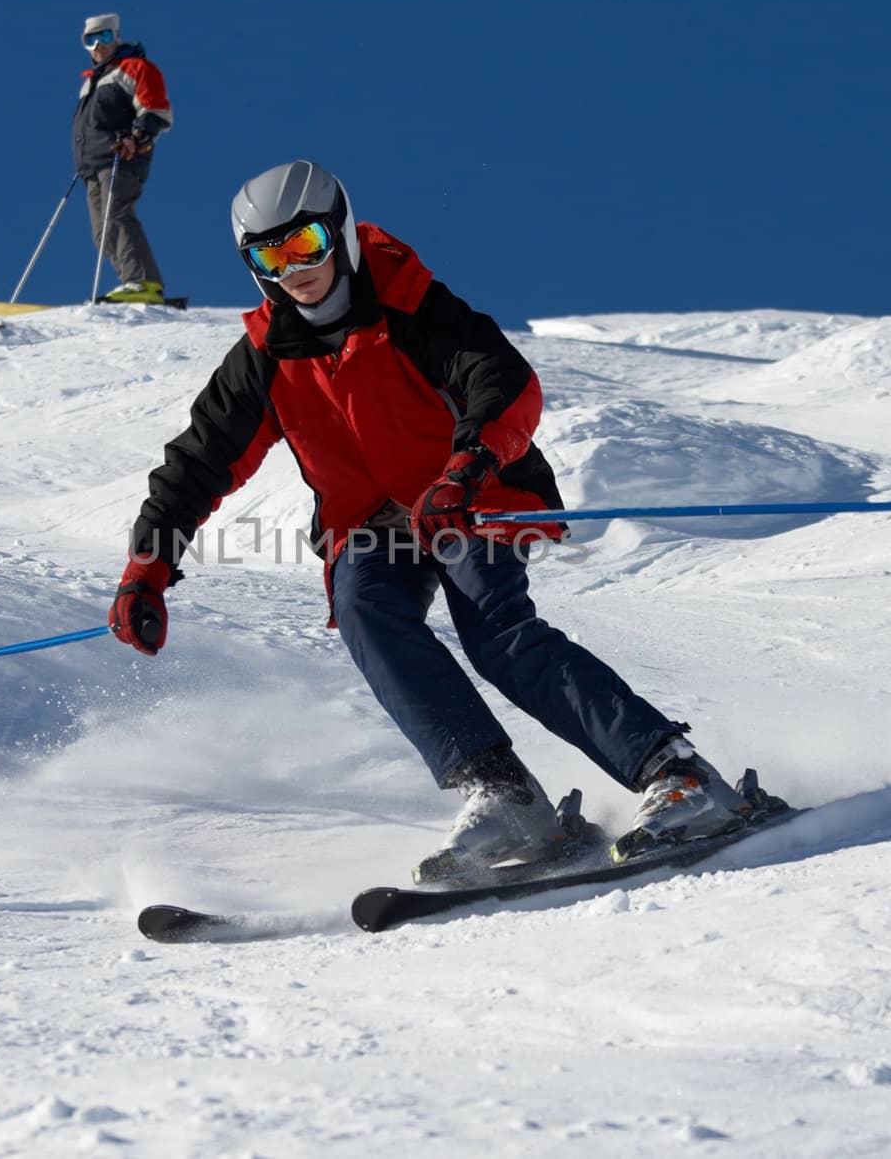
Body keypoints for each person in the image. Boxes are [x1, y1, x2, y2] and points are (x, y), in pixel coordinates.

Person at [108, 160, 752, 879]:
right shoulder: (262, 359)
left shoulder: (410, 304)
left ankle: (676, 773)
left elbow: (504, 382)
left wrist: (467, 468)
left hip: (466, 492)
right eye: (270, 255)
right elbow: (197, 463)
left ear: (342, 232)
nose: (294, 269)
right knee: (364, 606)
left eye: (307, 243)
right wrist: (147, 570)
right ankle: (503, 796)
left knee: (497, 633)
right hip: (371, 521)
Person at [72, 12, 171, 304]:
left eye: (104, 37)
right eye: (90, 40)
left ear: (116, 37)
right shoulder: (91, 82)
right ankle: (133, 282)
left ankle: (142, 283)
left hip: (122, 155)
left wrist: (137, 137)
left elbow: (156, 109)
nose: (98, 45)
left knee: (116, 216)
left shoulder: (135, 68)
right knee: (101, 231)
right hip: (92, 163)